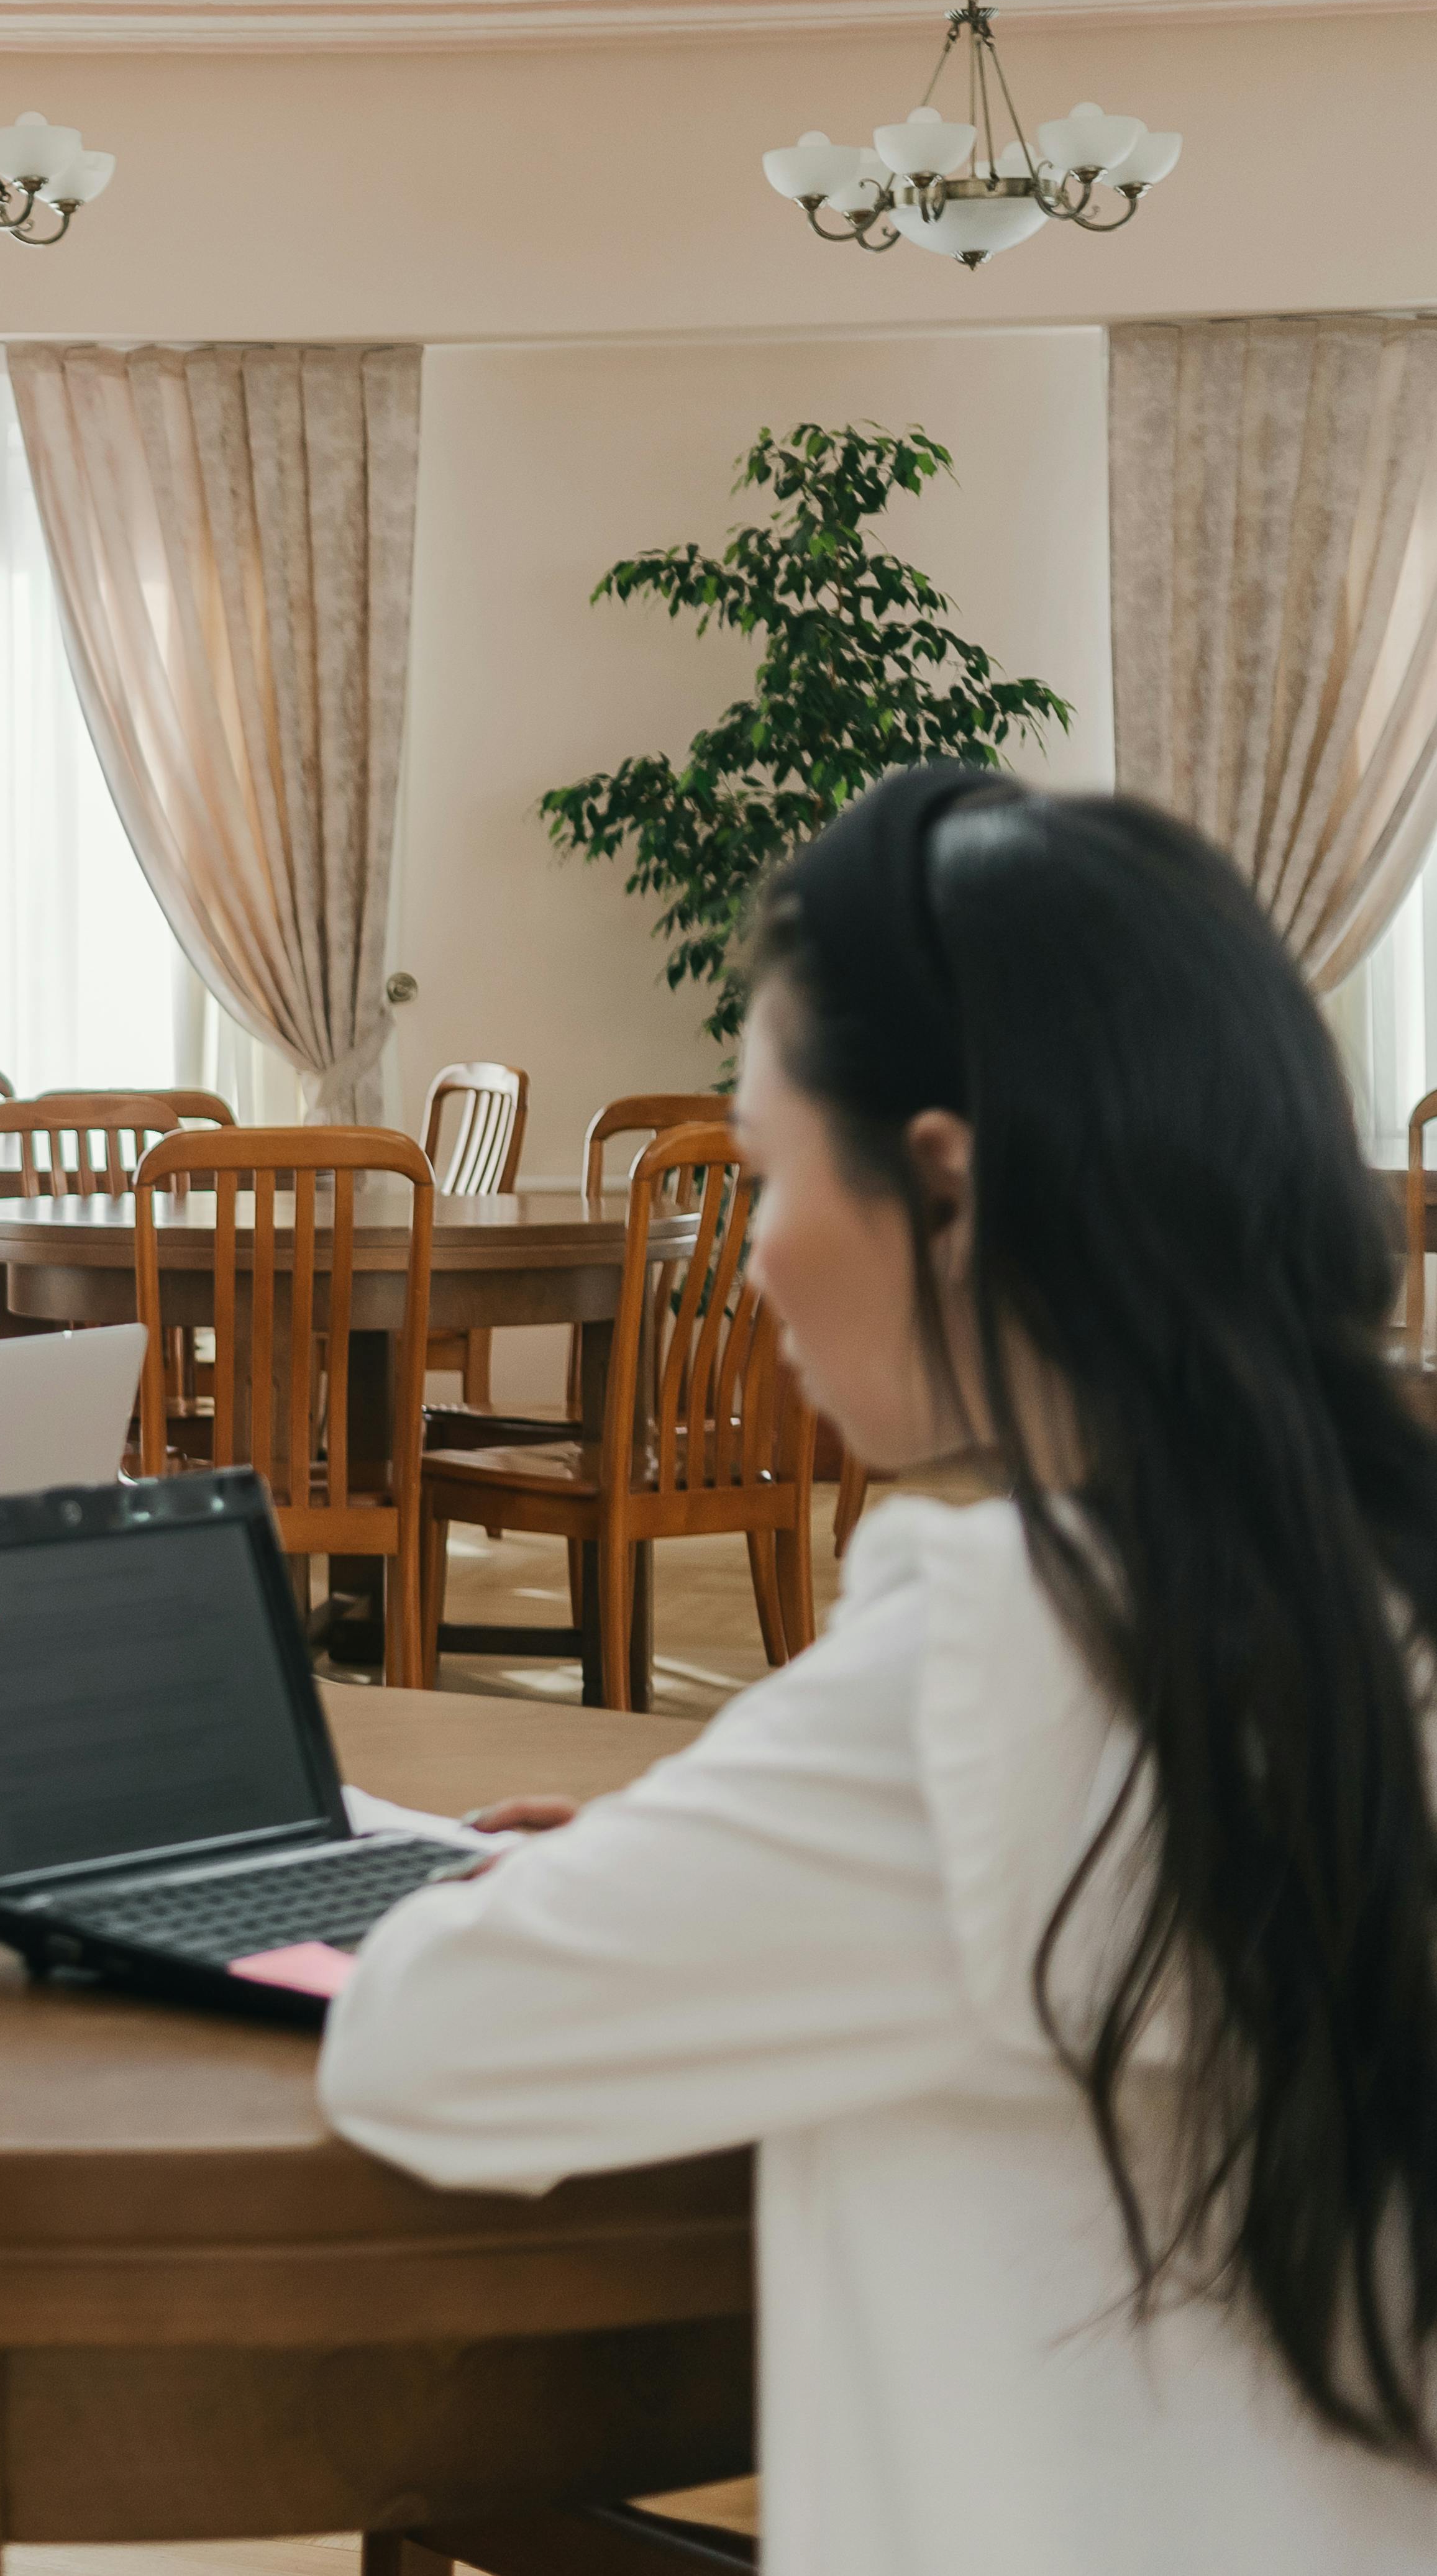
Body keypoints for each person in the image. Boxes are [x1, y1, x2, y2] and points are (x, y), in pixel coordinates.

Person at [322, 765, 1437, 2570]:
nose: (743, 1258)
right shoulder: (1362, 1580)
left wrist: (621, 1883)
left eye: (762, 1175)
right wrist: (716, 1862)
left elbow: (420, 2048)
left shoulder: (1006, 1648)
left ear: (946, 1185)